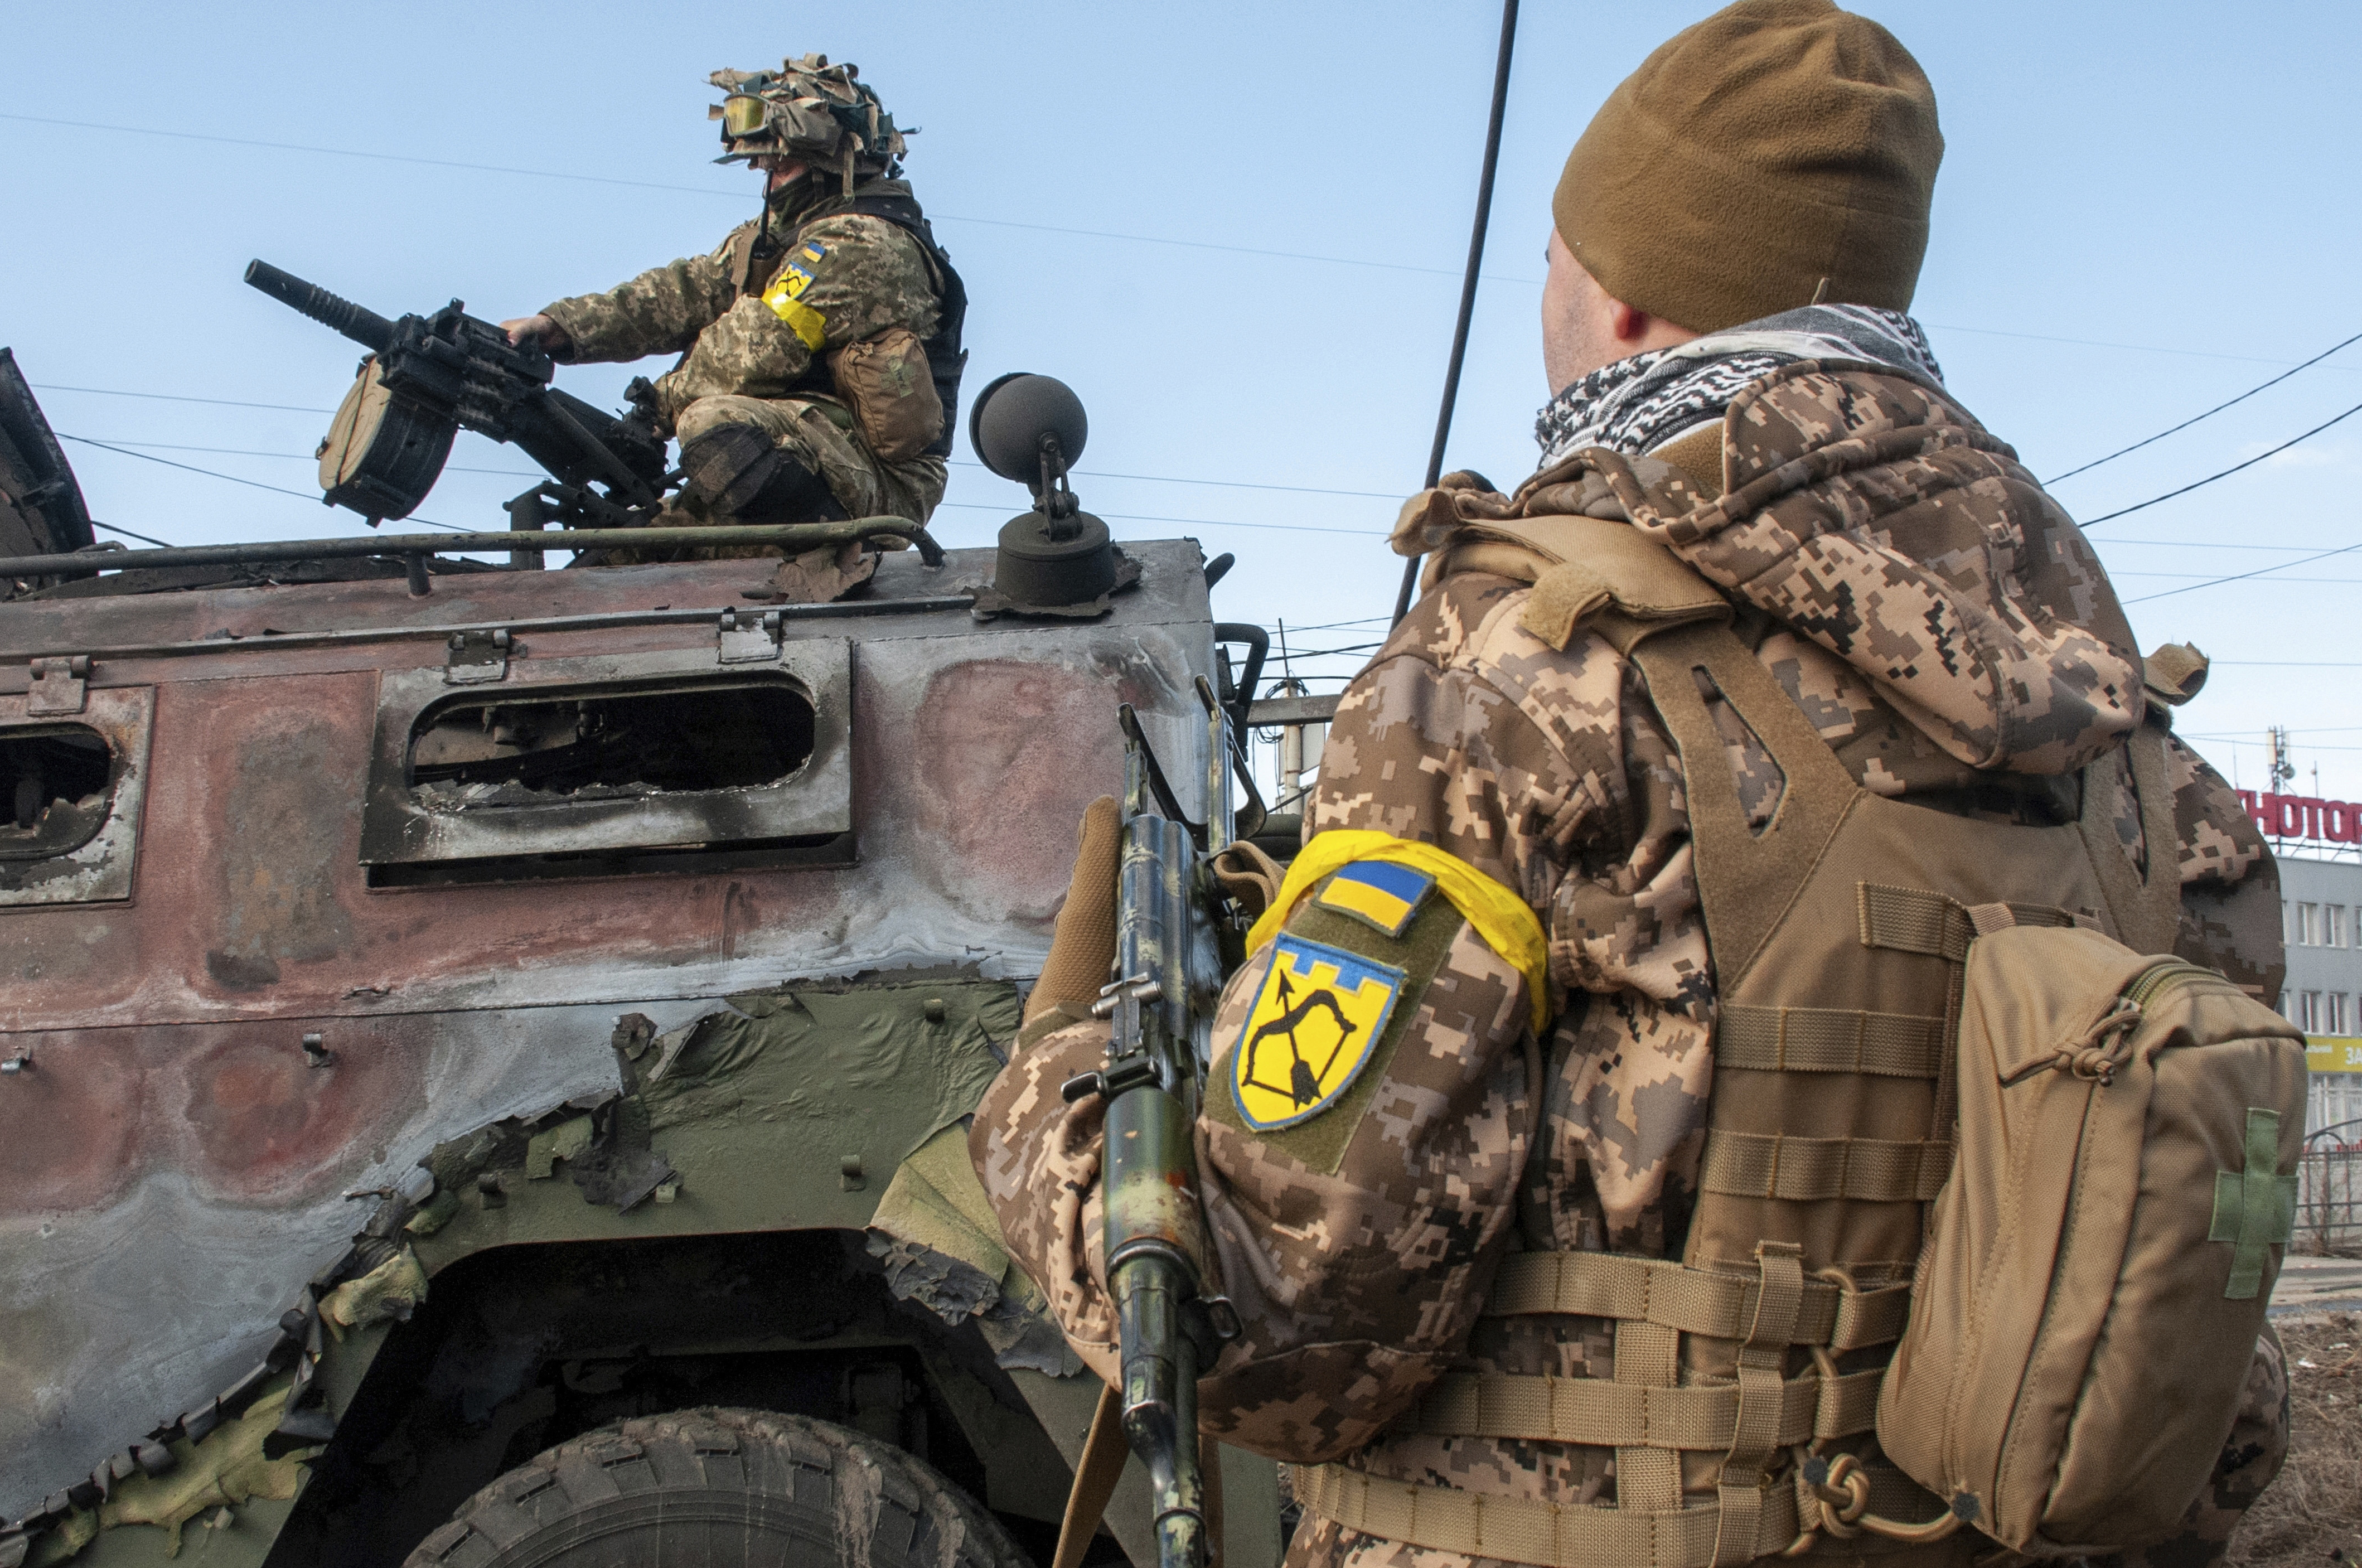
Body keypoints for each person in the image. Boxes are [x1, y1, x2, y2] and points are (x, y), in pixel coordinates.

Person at [971, 4, 2290, 1566]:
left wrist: (1059, 1089)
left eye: (1553, 253)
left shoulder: (1514, 670)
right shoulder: (2142, 749)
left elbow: (1273, 1326)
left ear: (1633, 302)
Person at [498, 54, 966, 535]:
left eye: (780, 161)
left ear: (833, 158)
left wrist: (654, 413)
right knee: (626, 551)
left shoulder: (863, 244)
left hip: (875, 482)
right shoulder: (778, 237)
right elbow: (680, 294)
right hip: (793, 446)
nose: (765, 175)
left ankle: (820, 550)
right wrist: (558, 327)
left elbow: (759, 345)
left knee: (710, 420)